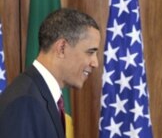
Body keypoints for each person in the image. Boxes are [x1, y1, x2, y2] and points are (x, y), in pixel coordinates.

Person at [0, 8, 101, 138]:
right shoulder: (25, 103)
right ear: (62, 48)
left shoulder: (40, 94)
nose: (95, 63)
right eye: (90, 52)